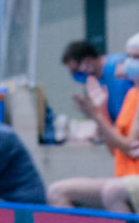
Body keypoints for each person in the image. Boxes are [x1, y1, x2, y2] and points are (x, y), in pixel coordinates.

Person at [47, 33, 139, 212]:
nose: (126, 63)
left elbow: (130, 147)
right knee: (56, 192)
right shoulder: (131, 95)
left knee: (112, 192)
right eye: (128, 56)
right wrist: (100, 112)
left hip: (130, 180)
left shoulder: (120, 81)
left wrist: (97, 116)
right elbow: (115, 149)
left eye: (135, 57)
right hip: (123, 175)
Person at [62, 39, 133, 124]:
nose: (77, 75)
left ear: (87, 60)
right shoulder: (97, 78)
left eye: (76, 70)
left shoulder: (119, 66)